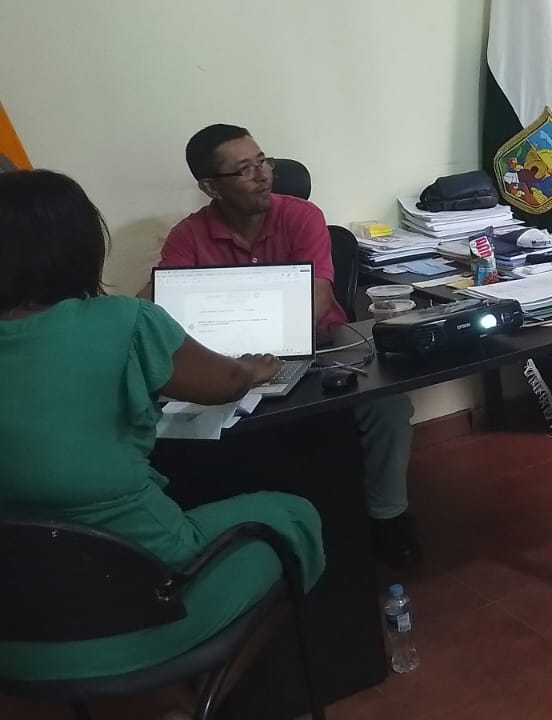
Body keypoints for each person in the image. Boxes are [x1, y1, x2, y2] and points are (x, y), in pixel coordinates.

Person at [0, 169, 325, 686]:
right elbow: (224, 383)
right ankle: (200, 703)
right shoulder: (122, 321)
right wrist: (253, 369)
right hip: (148, 600)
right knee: (294, 517)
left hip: (17, 629)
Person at [147, 124, 420, 569]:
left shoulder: (301, 216)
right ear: (210, 187)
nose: (263, 175)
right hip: (226, 360)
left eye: (263, 162)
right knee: (173, 421)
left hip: (321, 347)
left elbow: (317, 301)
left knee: (387, 407)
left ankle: (388, 517)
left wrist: (260, 352)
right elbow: (162, 309)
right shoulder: (189, 235)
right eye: (244, 169)